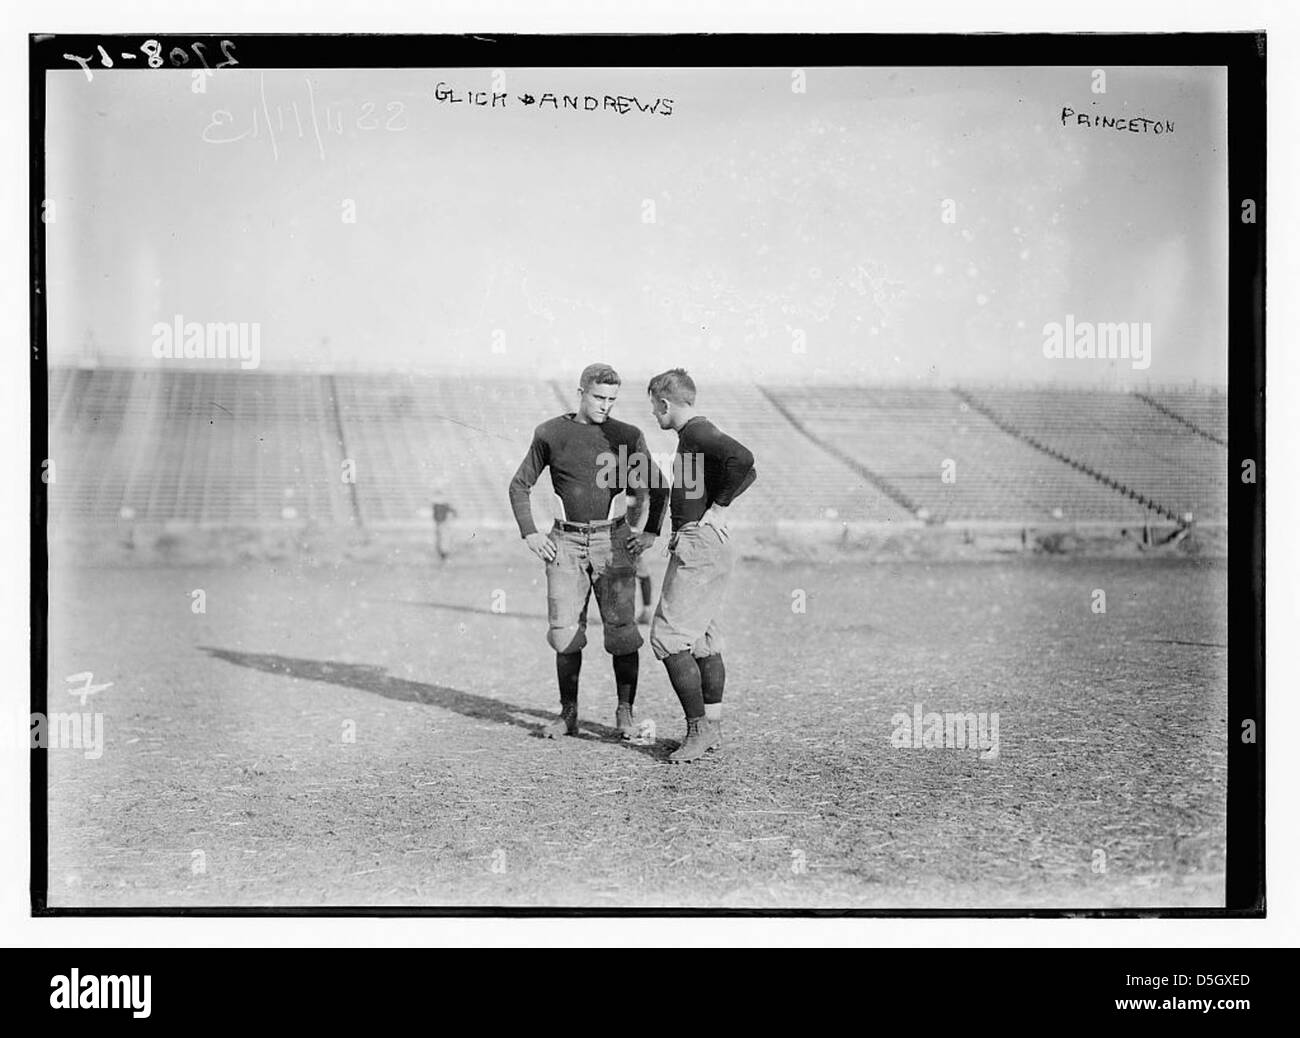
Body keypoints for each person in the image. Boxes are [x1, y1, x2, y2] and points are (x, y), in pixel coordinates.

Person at [508, 363, 668, 739]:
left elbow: (660, 486)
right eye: (599, 397)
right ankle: (568, 714)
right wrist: (530, 533)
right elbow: (519, 486)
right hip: (565, 541)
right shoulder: (551, 432)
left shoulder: (626, 435)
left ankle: (624, 713)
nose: (605, 405)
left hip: (612, 542)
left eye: (612, 399)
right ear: (580, 392)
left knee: (623, 634)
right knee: (564, 632)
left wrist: (650, 533)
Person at [644, 368, 756, 763]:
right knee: (703, 639)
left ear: (664, 402)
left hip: (700, 543)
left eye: (654, 409)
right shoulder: (695, 435)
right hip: (704, 542)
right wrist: (716, 507)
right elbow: (749, 473)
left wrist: (719, 507)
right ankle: (714, 725)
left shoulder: (695, 433)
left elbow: (744, 459)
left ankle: (698, 730)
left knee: (668, 637)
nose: (654, 417)